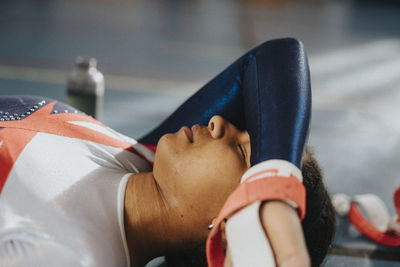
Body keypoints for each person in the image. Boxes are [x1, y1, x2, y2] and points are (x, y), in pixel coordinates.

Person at [0, 38, 334, 267]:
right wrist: (276, 182)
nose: (219, 122)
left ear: (228, 228)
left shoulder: (74, 254)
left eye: (242, 151)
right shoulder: (136, 157)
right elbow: (275, 55)